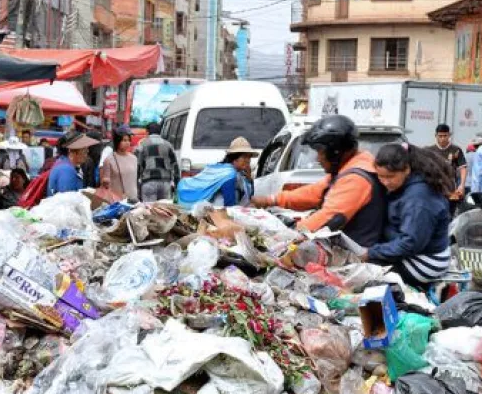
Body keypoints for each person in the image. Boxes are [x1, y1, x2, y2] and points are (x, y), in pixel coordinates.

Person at [251, 115, 385, 247]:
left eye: (320, 152)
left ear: (335, 151)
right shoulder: (345, 170)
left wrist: (289, 234)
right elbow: (314, 193)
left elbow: (329, 218)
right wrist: (271, 200)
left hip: (359, 256)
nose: (318, 159)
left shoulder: (356, 179)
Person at [364, 143, 453, 287]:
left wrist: (371, 253)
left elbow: (411, 243)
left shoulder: (418, 198)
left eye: (390, 176)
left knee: (365, 274)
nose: (386, 182)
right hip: (420, 253)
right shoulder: (407, 186)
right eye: (381, 177)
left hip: (426, 263)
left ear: (406, 170)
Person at [177, 137, 257, 208]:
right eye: (244, 157)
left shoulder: (228, 170)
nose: (248, 160)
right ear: (234, 158)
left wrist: (249, 179)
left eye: (249, 157)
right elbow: (229, 204)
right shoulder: (229, 174)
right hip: (216, 212)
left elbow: (249, 197)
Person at [135, 122, 180, 202]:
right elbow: (175, 166)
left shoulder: (143, 145)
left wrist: (136, 185)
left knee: (150, 212)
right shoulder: (168, 145)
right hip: (165, 183)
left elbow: (138, 166)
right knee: (164, 211)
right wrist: (176, 184)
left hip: (148, 183)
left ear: (148, 132)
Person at [47, 131, 99, 196]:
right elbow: (67, 202)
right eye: (84, 149)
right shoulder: (66, 170)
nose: (87, 151)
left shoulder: (63, 164)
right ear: (71, 150)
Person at [430, 123, 467, 210]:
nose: (442, 139)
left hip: (450, 187)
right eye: (440, 136)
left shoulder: (456, 150)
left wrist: (461, 185)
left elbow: (463, 168)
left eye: (445, 136)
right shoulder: (430, 150)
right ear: (436, 136)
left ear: (449, 135)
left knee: (450, 211)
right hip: (434, 187)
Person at [99, 125, 139, 201]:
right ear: (117, 141)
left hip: (133, 199)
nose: (127, 143)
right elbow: (104, 183)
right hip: (116, 202)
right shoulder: (109, 160)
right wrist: (105, 181)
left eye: (128, 140)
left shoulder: (134, 158)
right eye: (124, 140)